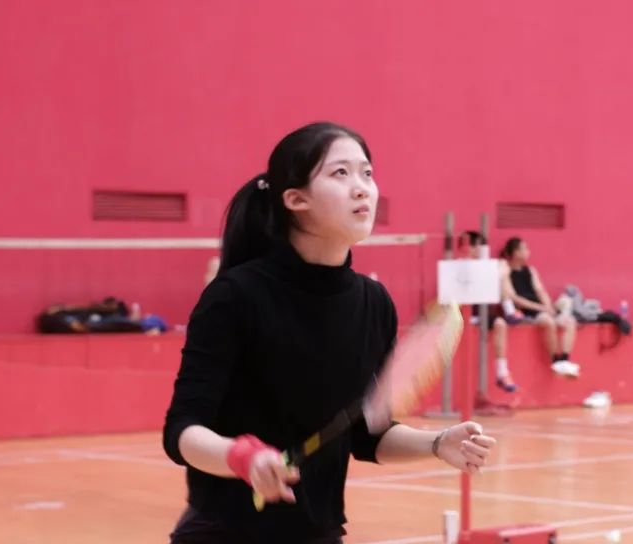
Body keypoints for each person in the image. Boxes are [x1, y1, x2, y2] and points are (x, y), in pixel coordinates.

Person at [162, 122, 495, 543]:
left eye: (367, 173)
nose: (362, 189)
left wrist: (437, 443)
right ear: (295, 199)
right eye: (341, 173)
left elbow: (367, 435)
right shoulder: (235, 296)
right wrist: (240, 457)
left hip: (319, 532)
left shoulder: (373, 304)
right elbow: (182, 431)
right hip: (223, 533)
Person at [499, 237, 580, 377]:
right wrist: (541, 309)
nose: (528, 252)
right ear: (516, 252)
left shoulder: (530, 271)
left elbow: (540, 291)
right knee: (548, 322)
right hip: (526, 312)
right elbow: (515, 299)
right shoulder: (506, 272)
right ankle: (555, 360)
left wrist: (548, 307)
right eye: (525, 248)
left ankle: (564, 360)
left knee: (569, 321)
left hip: (541, 309)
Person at [459, 231, 520, 393]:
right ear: (471, 248)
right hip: (466, 312)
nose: (484, 250)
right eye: (480, 246)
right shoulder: (460, 266)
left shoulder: (487, 267)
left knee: (500, 324)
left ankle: (502, 373)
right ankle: (509, 309)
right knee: (502, 269)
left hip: (484, 310)